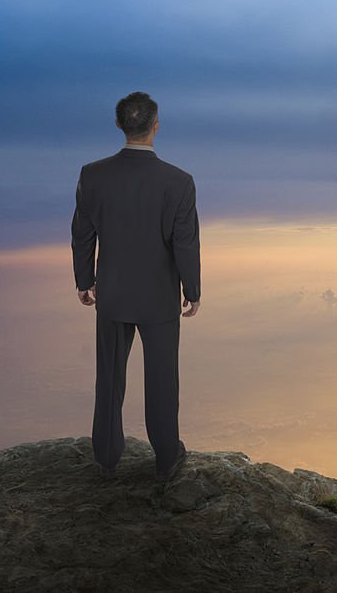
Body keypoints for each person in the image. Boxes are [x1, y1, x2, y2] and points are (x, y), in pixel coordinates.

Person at [71, 91, 201, 482]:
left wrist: (84, 281)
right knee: (162, 379)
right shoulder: (178, 182)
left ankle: (107, 457)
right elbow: (185, 242)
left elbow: (82, 234)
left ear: (119, 125)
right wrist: (192, 290)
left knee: (109, 377)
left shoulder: (92, 175)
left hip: (111, 293)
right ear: (156, 126)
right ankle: (165, 458)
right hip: (159, 296)